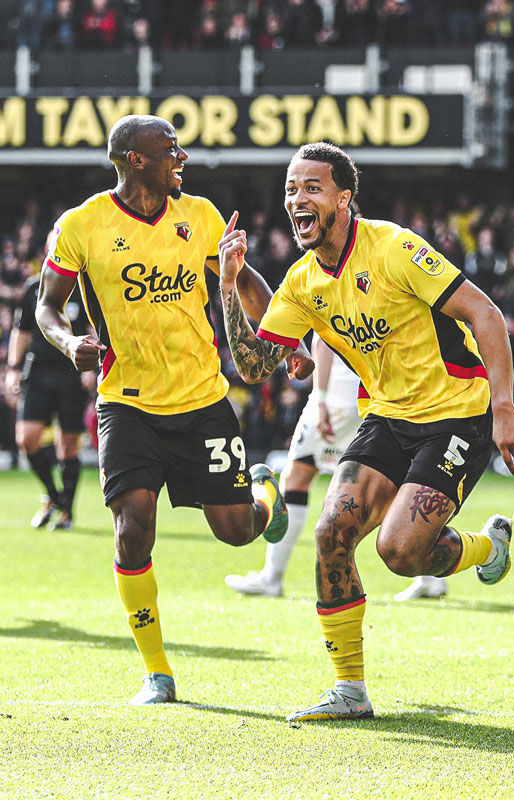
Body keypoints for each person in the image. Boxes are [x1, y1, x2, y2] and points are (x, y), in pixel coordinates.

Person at [218, 142, 514, 720]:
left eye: (311, 187)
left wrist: (506, 405)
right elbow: (255, 365)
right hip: (388, 417)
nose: (297, 199)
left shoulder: (394, 248)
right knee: (330, 534)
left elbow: (485, 314)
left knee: (400, 552)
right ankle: (350, 692)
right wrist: (231, 282)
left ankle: (489, 547)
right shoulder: (301, 281)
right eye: (291, 189)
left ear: (344, 197)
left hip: (458, 415)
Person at [35, 114, 312, 706]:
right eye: (170, 149)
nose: (181, 157)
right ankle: (157, 673)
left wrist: (287, 343)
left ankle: (266, 496)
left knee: (237, 532)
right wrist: (68, 342)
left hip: (203, 402)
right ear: (137, 160)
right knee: (133, 532)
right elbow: (47, 308)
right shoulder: (81, 226)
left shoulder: (201, 215)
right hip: (126, 406)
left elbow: (247, 283)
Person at [223, 316, 447, 602]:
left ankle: (272, 577)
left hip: (340, 393)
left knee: (296, 478)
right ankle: (429, 575)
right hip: (375, 391)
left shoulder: (327, 278)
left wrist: (321, 398)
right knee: (389, 486)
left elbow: (325, 340)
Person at [6, 270, 94, 530]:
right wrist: (13, 368)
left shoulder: (83, 288)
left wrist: (92, 366)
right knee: (26, 438)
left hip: (72, 373)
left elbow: (94, 329)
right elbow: (21, 331)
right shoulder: (34, 286)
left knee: (67, 445)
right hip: (38, 371)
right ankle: (55, 497)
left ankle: (67, 512)